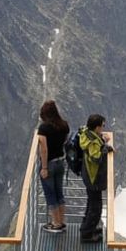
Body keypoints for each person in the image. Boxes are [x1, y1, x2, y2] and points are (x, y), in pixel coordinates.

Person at [79, 113, 113, 243]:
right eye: (102, 126)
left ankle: (87, 228)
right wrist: (105, 148)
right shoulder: (93, 141)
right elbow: (96, 158)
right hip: (93, 178)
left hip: (88, 176)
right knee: (96, 207)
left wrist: (103, 142)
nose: (103, 128)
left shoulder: (87, 134)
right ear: (97, 127)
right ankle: (87, 235)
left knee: (91, 203)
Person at [37, 100, 69, 233]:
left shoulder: (43, 128)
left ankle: (55, 224)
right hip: (61, 161)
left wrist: (44, 167)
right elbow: (65, 141)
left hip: (49, 163)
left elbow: (43, 148)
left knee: (50, 194)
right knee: (59, 192)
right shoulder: (64, 125)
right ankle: (61, 221)